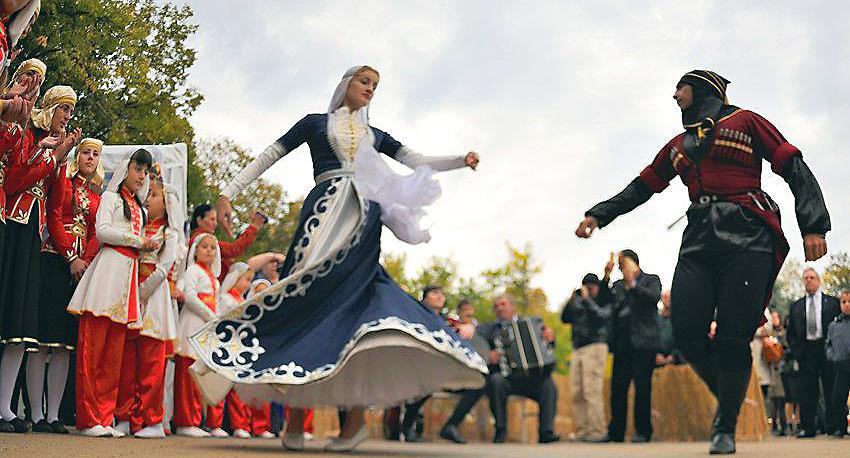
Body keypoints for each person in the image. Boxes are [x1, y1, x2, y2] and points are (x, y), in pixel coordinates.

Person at [190, 65, 485, 453]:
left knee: (356, 311)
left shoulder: (375, 135)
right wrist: (227, 192)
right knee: (304, 303)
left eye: (375, 85)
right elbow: (270, 155)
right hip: (321, 215)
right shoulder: (314, 123)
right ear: (346, 84)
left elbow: (417, 160)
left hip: (361, 221)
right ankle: (296, 415)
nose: (370, 89)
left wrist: (461, 159)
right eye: (364, 81)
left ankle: (355, 423)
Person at [575, 70, 831, 454]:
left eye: (680, 88)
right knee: (686, 331)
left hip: (747, 231)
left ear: (700, 88)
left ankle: (724, 425)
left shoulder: (746, 120)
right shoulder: (679, 145)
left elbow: (792, 164)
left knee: (733, 336)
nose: (674, 95)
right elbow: (642, 187)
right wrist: (599, 214)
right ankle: (730, 396)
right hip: (698, 237)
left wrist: (813, 224)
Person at [0, 85, 80, 434]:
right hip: (12, 228)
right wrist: (48, 156)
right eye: (64, 109)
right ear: (50, 108)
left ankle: (5, 406)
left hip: (33, 236)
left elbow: (55, 209)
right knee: (6, 313)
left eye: (70, 112)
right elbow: (14, 181)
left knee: (21, 325)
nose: (67, 117)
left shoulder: (56, 149)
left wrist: (70, 254)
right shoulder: (28, 134)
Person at [66, 149, 156, 437]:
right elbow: (102, 232)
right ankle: (88, 419)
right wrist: (137, 240)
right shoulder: (110, 198)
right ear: (125, 169)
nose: (141, 176)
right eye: (137, 169)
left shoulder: (140, 209)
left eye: (145, 172)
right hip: (107, 273)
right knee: (92, 352)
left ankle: (104, 418)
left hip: (127, 278)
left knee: (113, 357)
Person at [26, 138, 103, 435]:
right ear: (77, 156)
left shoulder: (97, 197)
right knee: (43, 340)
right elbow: (54, 215)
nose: (90, 158)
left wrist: (85, 261)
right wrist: (70, 256)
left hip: (79, 270)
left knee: (63, 345)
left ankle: (54, 415)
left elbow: (96, 232)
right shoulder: (64, 181)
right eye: (86, 152)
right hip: (54, 260)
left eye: (95, 154)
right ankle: (36, 413)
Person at [114, 174, 182, 439]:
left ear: (166, 204)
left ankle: (151, 420)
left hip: (153, 300)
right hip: (133, 296)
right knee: (127, 363)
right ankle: (124, 417)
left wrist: (141, 293)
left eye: (154, 195)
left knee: (152, 365)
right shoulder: (138, 227)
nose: (148, 198)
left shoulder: (169, 234)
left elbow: (164, 267)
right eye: (148, 194)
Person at [478, 294, 559, 444]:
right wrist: (488, 355)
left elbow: (547, 349)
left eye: (503, 304)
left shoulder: (532, 324)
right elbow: (477, 347)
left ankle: (546, 432)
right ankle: (501, 431)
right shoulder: (489, 329)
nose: (499, 308)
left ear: (512, 307)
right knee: (496, 381)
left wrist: (550, 339)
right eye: (496, 306)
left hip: (531, 378)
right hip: (507, 379)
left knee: (549, 384)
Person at [605, 250, 661, 443]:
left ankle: (643, 431)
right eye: (620, 265)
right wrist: (606, 277)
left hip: (644, 343)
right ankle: (616, 432)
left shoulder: (651, 280)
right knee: (618, 388)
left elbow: (653, 298)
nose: (622, 268)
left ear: (635, 263)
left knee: (642, 387)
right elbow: (605, 302)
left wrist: (633, 284)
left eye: (624, 263)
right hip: (622, 343)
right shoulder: (618, 285)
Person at [172, 232, 220, 438]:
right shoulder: (193, 271)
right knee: (186, 374)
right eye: (204, 246)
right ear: (195, 250)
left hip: (206, 329)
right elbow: (190, 297)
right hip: (192, 324)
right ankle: (185, 421)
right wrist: (211, 316)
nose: (209, 251)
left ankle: (195, 419)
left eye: (212, 247)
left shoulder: (214, 279)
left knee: (197, 376)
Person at [786, 268, 841, 438]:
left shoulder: (833, 303)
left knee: (831, 387)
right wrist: (797, 351)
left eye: (812, 277)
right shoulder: (796, 306)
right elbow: (791, 332)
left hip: (826, 349)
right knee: (807, 390)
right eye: (806, 278)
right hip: (806, 351)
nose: (808, 280)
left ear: (818, 280)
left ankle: (833, 426)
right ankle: (808, 427)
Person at [561, 266, 613, 443]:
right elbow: (565, 318)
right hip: (578, 347)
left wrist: (588, 300)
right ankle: (583, 430)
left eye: (591, 287)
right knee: (577, 391)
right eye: (586, 287)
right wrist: (572, 299)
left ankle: (598, 430)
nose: (589, 290)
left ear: (597, 287)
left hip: (596, 345)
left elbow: (602, 317)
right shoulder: (578, 302)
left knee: (592, 390)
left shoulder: (604, 299)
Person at [439, 299, 489, 444]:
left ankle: (451, 426)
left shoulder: (480, 330)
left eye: (471, 311)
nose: (469, 314)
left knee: (480, 385)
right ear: (459, 312)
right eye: (465, 311)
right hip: (448, 375)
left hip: (468, 379)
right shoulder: (449, 327)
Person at [189, 203, 265, 281]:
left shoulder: (200, 238)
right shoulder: (200, 238)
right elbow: (234, 249)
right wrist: (254, 227)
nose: (215, 224)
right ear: (199, 220)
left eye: (216, 220)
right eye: (212, 219)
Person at [826, 290, 850, 438]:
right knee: (837, 398)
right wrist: (832, 356)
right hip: (841, 366)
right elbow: (828, 344)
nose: (847, 305)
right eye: (843, 302)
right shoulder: (834, 325)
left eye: (849, 301)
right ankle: (841, 428)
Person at [657, 290, 685, 366]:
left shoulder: (681, 321)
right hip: (655, 361)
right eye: (665, 297)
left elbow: (684, 341)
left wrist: (673, 357)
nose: (668, 299)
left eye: (670, 297)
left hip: (676, 364)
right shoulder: (655, 319)